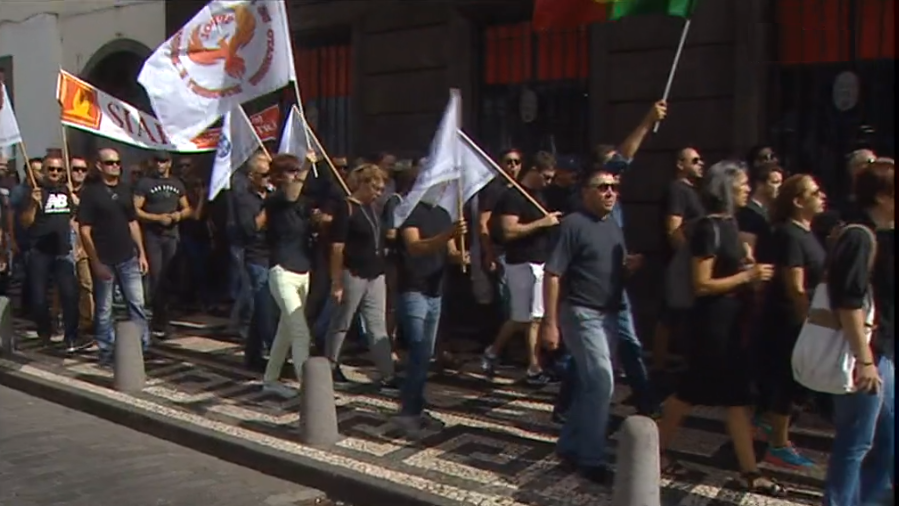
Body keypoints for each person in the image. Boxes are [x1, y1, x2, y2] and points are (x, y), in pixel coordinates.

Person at [655, 160, 785, 497]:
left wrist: (749, 271)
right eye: (741, 184)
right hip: (711, 327)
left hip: (731, 325)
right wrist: (747, 276)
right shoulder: (707, 229)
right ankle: (653, 451)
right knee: (689, 393)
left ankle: (750, 472)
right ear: (726, 188)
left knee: (737, 399)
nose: (746, 189)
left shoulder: (730, 225)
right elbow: (702, 284)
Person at [542, 167, 635, 485]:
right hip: (581, 313)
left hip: (608, 314)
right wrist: (550, 322)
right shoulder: (572, 224)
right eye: (602, 187)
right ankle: (591, 458)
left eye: (614, 187)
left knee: (589, 384)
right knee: (602, 383)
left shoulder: (613, 226)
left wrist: (629, 268)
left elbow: (613, 271)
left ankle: (569, 446)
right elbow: (553, 274)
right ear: (586, 192)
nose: (610, 192)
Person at [822, 158, 894, 506]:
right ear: (883, 196)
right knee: (856, 442)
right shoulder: (860, 236)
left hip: (882, 353)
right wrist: (865, 360)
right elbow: (847, 302)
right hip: (866, 355)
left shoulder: (878, 234)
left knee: (887, 439)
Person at [752, 174, 827, 469]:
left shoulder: (807, 232)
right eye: (815, 192)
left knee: (791, 380)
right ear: (797, 201)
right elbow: (795, 286)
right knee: (787, 379)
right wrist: (813, 320)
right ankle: (778, 444)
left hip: (800, 319)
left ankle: (771, 425)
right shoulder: (789, 235)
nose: (822, 196)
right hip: (789, 320)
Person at [482, 151, 560, 384]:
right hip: (522, 263)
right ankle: (534, 368)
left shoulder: (538, 196)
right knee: (531, 318)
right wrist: (541, 223)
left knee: (525, 317)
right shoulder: (512, 196)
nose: (548, 182)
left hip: (539, 260)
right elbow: (508, 230)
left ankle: (493, 352)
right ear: (534, 171)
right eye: (545, 177)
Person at [392, 193, 467, 433]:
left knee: (425, 355)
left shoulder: (444, 214)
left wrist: (463, 256)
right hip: (414, 288)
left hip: (436, 291)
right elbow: (415, 246)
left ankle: (414, 406)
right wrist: (448, 234)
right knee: (418, 350)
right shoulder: (411, 210)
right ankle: (408, 413)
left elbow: (451, 252)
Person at [77, 148, 149, 366]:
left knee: (137, 302)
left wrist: (142, 253)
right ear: (99, 166)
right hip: (104, 258)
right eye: (110, 163)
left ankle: (141, 345)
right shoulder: (91, 193)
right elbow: (84, 230)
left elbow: (132, 222)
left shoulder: (126, 190)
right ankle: (106, 349)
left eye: (118, 163)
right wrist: (96, 262)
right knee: (105, 308)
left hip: (128, 256)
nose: (115, 167)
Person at [326, 164, 396, 387]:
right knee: (342, 321)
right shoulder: (346, 208)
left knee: (377, 325)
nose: (378, 193)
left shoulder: (372, 209)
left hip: (375, 274)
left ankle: (388, 373)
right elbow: (337, 247)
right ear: (364, 184)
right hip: (352, 273)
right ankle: (331, 365)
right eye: (375, 188)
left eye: (381, 189)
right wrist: (336, 282)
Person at [261, 152, 316, 398]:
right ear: (278, 176)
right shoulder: (275, 200)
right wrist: (307, 165)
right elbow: (291, 193)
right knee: (299, 330)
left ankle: (271, 379)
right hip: (282, 270)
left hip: (303, 270)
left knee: (285, 331)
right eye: (290, 171)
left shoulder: (302, 202)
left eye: (296, 170)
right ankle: (308, 386)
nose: (295, 174)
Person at [19, 154, 82, 351]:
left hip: (63, 250)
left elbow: (74, 220)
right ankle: (45, 332)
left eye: (59, 170)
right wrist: (32, 203)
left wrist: (79, 244)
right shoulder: (34, 193)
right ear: (43, 171)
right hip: (40, 251)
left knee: (69, 294)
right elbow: (25, 223)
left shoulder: (67, 191)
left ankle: (71, 336)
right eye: (51, 169)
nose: (55, 173)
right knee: (38, 298)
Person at [134, 151, 191, 337]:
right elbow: (135, 210)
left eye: (164, 161)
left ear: (169, 163)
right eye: (157, 161)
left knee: (170, 276)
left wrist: (178, 215)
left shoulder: (176, 183)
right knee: (156, 277)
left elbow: (188, 208)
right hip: (153, 236)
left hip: (172, 236)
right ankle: (158, 318)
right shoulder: (145, 183)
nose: (160, 164)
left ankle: (165, 315)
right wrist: (157, 218)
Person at [234, 152, 278, 372]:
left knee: (261, 309)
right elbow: (250, 228)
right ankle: (271, 351)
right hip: (256, 256)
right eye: (264, 175)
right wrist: (269, 207)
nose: (269, 179)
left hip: (275, 254)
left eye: (271, 174)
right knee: (263, 306)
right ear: (252, 176)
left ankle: (252, 355)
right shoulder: (245, 199)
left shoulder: (273, 194)